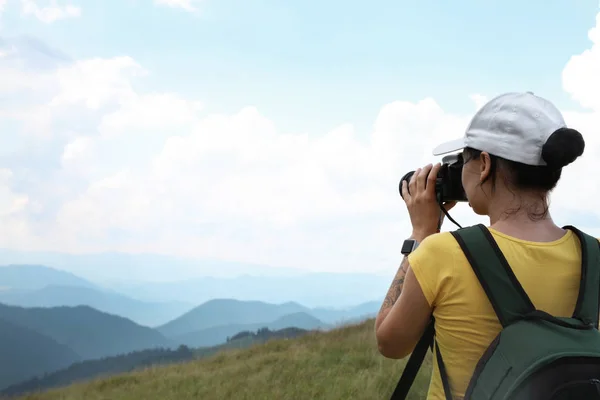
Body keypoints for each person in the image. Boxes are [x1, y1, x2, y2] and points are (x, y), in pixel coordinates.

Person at [374, 92, 587, 400]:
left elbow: (389, 343)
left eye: (463, 161)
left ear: (485, 164)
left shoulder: (443, 253)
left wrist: (421, 232)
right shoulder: (592, 255)